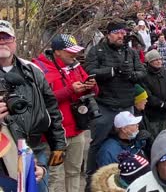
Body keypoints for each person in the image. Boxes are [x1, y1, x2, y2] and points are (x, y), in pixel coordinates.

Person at [0, 20, 66, 190]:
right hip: (2, 156)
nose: (1, 41)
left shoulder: (32, 70)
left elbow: (51, 109)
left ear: (14, 41)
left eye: (6, 37)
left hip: (34, 149)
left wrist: (58, 146)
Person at [32, 34, 99, 192]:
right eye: (70, 51)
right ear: (57, 52)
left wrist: (91, 86)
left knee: (74, 172)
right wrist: (70, 90)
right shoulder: (40, 68)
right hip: (54, 134)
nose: (75, 55)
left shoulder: (75, 65)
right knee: (54, 174)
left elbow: (95, 92)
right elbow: (40, 100)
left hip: (76, 130)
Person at [84, 20, 146, 179]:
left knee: (128, 139)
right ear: (109, 34)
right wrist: (113, 71)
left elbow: (142, 72)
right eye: (117, 33)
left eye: (123, 33)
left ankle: (127, 171)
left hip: (126, 104)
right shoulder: (97, 51)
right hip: (105, 104)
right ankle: (92, 176)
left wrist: (131, 75)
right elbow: (89, 72)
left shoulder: (130, 52)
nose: (121, 36)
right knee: (98, 140)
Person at [141, 49, 166, 137]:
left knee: (165, 137)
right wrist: (161, 104)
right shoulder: (145, 76)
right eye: (155, 60)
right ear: (149, 62)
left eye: (159, 59)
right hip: (153, 115)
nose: (159, 61)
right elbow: (147, 95)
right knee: (154, 137)